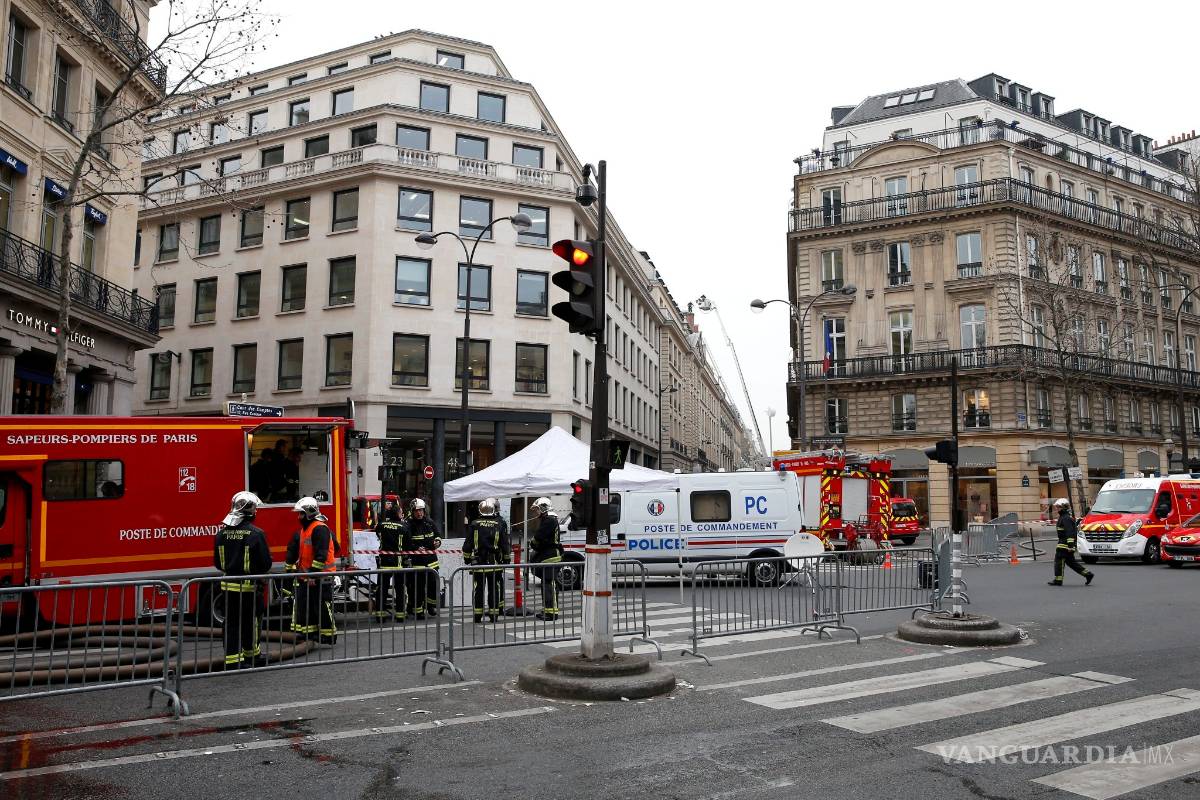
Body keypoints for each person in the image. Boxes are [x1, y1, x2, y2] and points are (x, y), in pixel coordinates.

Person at [214, 492, 272, 668]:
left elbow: (218, 563)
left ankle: (232, 659)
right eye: (255, 509)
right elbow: (265, 563)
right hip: (249, 587)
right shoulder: (256, 534)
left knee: (231, 623)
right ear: (249, 511)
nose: (256, 512)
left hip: (228, 588)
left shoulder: (222, 534)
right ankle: (252, 656)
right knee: (251, 622)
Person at [285, 496, 338, 643]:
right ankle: (312, 634)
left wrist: (313, 575)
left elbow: (320, 555)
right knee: (310, 607)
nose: (299, 517)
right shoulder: (305, 530)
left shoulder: (319, 528)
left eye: (301, 513)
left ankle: (329, 635)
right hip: (309, 577)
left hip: (320, 576)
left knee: (322, 606)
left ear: (309, 513)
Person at [462, 497, 510, 623]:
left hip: (478, 561)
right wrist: (506, 559)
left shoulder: (474, 524)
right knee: (494, 588)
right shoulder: (499, 524)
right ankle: (493, 615)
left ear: (480, 510)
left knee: (478, 589)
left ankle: (477, 615)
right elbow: (505, 544)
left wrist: (467, 559)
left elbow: (467, 545)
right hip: (494, 562)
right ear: (493, 510)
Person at [372, 495, 408, 622]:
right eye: (401, 513)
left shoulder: (381, 525)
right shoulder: (403, 527)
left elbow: (377, 532)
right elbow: (408, 544)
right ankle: (399, 615)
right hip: (397, 562)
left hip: (384, 562)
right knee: (399, 589)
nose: (402, 515)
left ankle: (380, 615)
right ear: (398, 514)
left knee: (381, 589)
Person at [404, 498, 442, 619]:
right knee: (417, 587)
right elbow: (407, 542)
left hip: (431, 560)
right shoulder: (408, 524)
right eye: (416, 511)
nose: (419, 513)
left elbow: (438, 535)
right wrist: (415, 548)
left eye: (421, 510)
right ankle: (418, 610)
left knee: (433, 585)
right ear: (412, 511)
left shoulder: (429, 522)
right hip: (417, 561)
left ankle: (430, 606)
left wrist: (437, 541)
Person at [528, 497, 563, 621]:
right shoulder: (548, 519)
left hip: (550, 556)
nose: (536, 513)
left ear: (543, 508)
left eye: (537, 510)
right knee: (546, 584)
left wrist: (532, 543)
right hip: (547, 555)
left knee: (549, 584)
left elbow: (538, 537)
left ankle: (551, 613)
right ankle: (547, 610)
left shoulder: (549, 520)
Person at [1049, 497, 1094, 586]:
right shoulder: (1064, 517)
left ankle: (1058, 580)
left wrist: (1070, 545)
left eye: (1058, 507)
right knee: (1071, 563)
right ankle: (1088, 574)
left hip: (1064, 545)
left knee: (1059, 561)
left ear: (1064, 507)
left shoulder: (1065, 518)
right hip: (1064, 544)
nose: (1057, 509)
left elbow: (1069, 532)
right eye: (1056, 507)